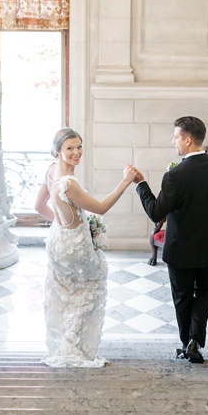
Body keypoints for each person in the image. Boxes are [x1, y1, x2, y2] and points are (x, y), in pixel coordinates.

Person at [129, 118, 208, 365]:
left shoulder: (175, 175)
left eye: (175, 137)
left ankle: (187, 343)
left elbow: (156, 212)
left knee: (183, 298)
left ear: (188, 140)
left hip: (180, 251)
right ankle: (194, 341)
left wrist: (141, 184)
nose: (173, 141)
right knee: (205, 292)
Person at [36, 127, 140, 371]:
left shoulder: (51, 171)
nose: (77, 152)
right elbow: (101, 207)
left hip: (57, 242)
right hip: (74, 246)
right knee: (90, 286)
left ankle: (65, 342)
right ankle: (71, 345)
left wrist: (62, 225)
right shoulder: (68, 183)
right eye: (70, 148)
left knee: (66, 291)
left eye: (79, 146)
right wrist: (125, 181)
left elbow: (38, 206)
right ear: (58, 151)